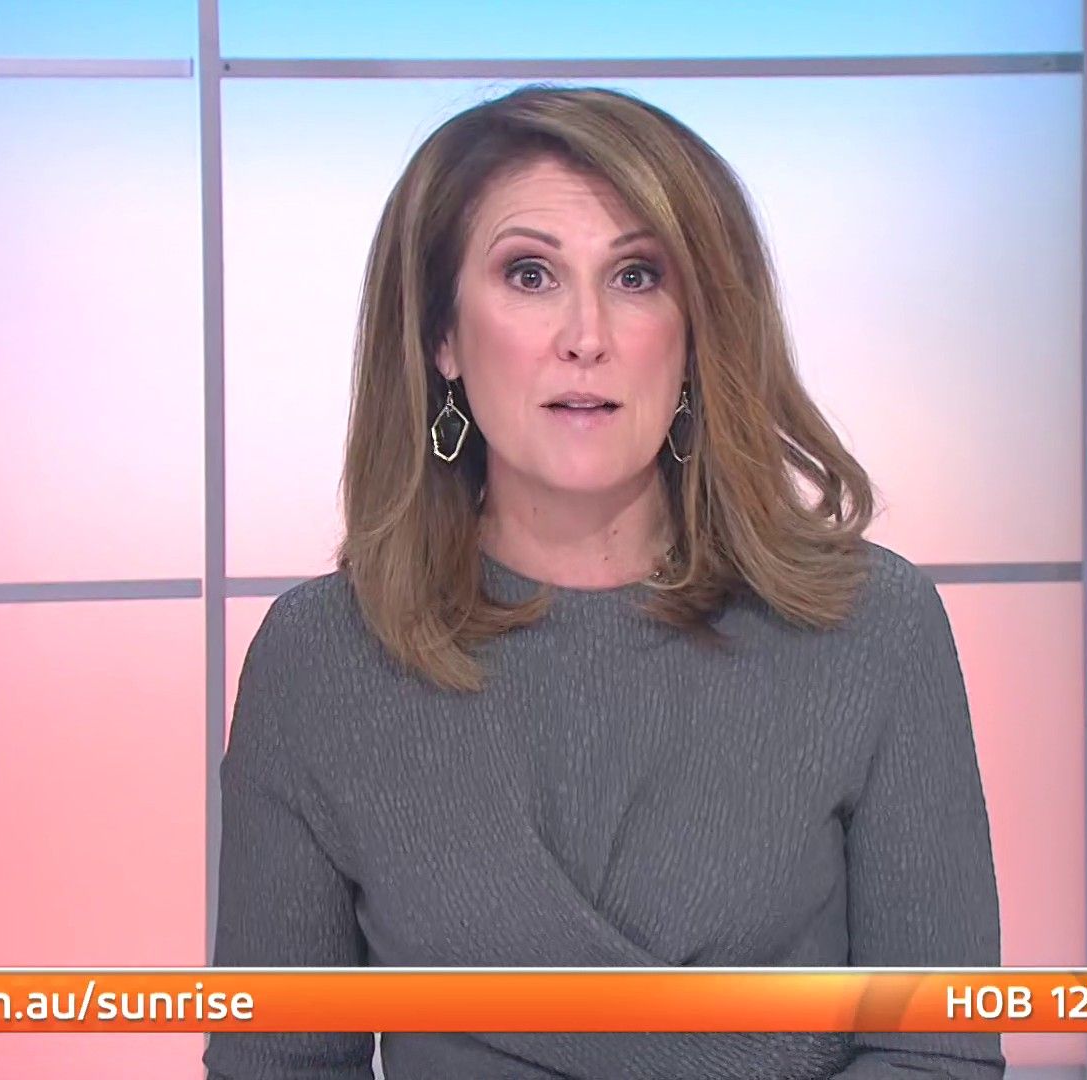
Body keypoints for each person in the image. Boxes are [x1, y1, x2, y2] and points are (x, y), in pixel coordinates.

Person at [205, 84, 1003, 1080]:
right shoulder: (321, 661)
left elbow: (935, 1054)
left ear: (698, 331)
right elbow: (277, 1064)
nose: (585, 335)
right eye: (530, 275)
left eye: (635, 276)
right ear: (443, 336)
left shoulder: (873, 628)